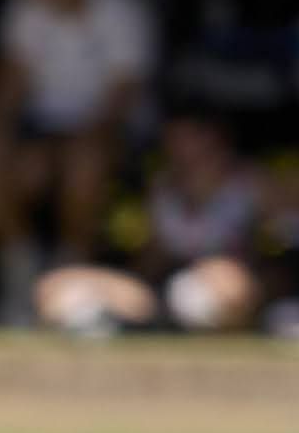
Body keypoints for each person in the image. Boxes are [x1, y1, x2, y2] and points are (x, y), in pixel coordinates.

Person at [0, 0, 153, 274]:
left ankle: (74, 265)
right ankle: (17, 263)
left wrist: (78, 143)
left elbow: (123, 92)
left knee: (84, 162)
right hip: (42, 130)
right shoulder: (26, 5)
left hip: (111, 129)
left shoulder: (119, 7)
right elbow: (14, 79)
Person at [27, 109, 261, 337]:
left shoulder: (250, 186)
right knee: (52, 287)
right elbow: (150, 265)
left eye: (189, 138)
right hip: (160, 295)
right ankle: (110, 323)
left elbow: (259, 265)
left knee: (226, 287)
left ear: (214, 141)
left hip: (218, 289)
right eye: (173, 139)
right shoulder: (161, 187)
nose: (178, 149)